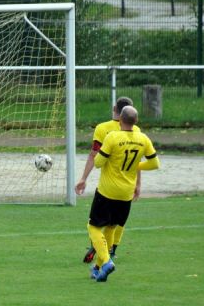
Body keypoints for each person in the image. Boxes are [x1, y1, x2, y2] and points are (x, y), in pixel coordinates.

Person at [87, 106, 160, 282]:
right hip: (126, 194)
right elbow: (154, 163)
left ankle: (106, 261)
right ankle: (97, 268)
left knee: (93, 227)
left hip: (107, 191)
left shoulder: (112, 137)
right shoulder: (143, 138)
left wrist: (108, 160)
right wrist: (136, 166)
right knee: (111, 226)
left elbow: (98, 162)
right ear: (136, 121)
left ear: (120, 119)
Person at [74, 96, 141, 263]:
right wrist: (138, 184)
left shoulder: (102, 129)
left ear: (114, 109)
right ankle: (112, 250)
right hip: (127, 185)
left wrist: (83, 178)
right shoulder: (136, 131)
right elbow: (138, 162)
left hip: (107, 185)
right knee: (115, 224)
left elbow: (94, 154)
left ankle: (100, 250)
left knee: (96, 224)